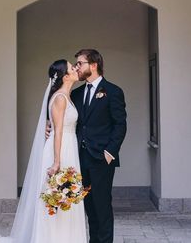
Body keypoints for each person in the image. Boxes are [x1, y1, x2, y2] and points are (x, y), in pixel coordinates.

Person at [0, 59, 87, 243]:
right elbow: (58, 131)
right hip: (60, 150)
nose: (76, 69)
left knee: (65, 198)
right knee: (55, 198)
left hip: (68, 148)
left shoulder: (67, 96)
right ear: (65, 76)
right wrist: (56, 161)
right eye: (72, 67)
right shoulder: (60, 98)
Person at [70, 48, 127, 243]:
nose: (77, 67)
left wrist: (110, 152)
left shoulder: (113, 91)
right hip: (80, 157)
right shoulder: (76, 94)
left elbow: (120, 125)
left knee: (102, 205)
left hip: (102, 158)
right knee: (88, 207)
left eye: (80, 63)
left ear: (93, 65)